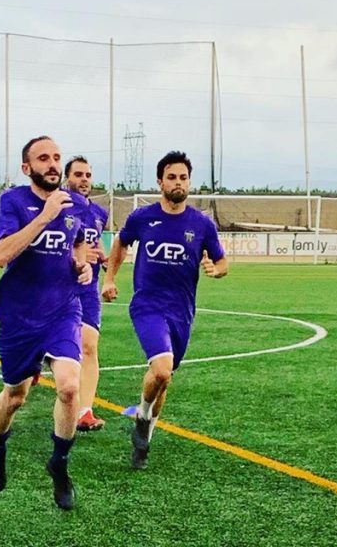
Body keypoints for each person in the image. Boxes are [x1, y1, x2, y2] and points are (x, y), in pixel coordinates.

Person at [101, 151, 228, 470]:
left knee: (165, 378)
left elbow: (222, 260)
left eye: (183, 177)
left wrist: (217, 268)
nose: (178, 183)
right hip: (148, 306)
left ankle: (144, 438)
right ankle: (142, 420)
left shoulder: (202, 224)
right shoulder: (142, 218)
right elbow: (120, 243)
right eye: (171, 177)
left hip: (182, 311)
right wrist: (110, 278)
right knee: (160, 368)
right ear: (160, 182)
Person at [0, 135, 92, 511]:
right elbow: (0, 255)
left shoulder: (75, 204)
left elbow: (77, 243)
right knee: (15, 396)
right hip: (19, 314)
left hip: (63, 309)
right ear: (27, 167)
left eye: (56, 158)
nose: (52, 164)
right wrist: (44, 217)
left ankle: (59, 464)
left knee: (68, 387)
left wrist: (81, 266)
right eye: (43, 158)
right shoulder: (12, 201)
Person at [64, 156, 109, 432]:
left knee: (89, 345)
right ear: (67, 178)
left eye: (88, 175)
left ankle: (84, 411)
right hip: (58, 288)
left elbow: (98, 247)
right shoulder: (57, 208)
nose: (84, 179)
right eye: (78, 174)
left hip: (88, 290)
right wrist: (75, 255)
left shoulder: (99, 214)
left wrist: (101, 257)